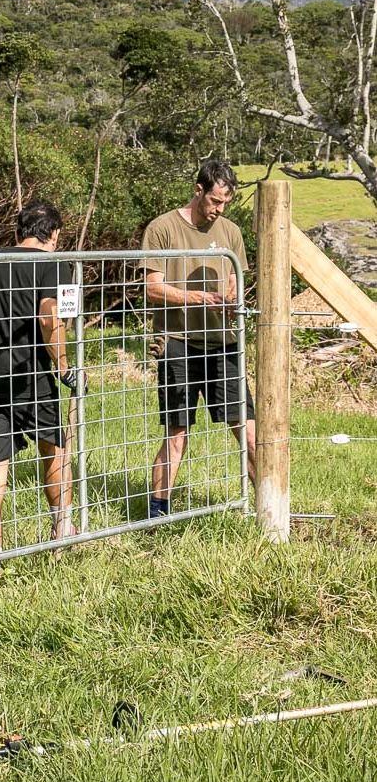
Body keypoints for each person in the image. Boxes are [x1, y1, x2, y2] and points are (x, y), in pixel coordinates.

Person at [0, 200, 82, 586]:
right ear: (55, 235)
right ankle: (62, 528)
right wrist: (63, 365)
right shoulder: (54, 264)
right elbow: (51, 316)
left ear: (18, 232)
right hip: (30, 377)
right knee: (55, 450)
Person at [141, 160, 256, 518]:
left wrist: (233, 298)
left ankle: (270, 505)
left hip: (224, 342)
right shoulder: (162, 229)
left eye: (225, 203)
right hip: (178, 341)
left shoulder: (231, 232)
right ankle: (157, 512)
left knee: (249, 429)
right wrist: (199, 298)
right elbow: (152, 289)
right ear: (198, 190)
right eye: (215, 201)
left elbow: (238, 282)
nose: (219, 210)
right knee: (178, 432)